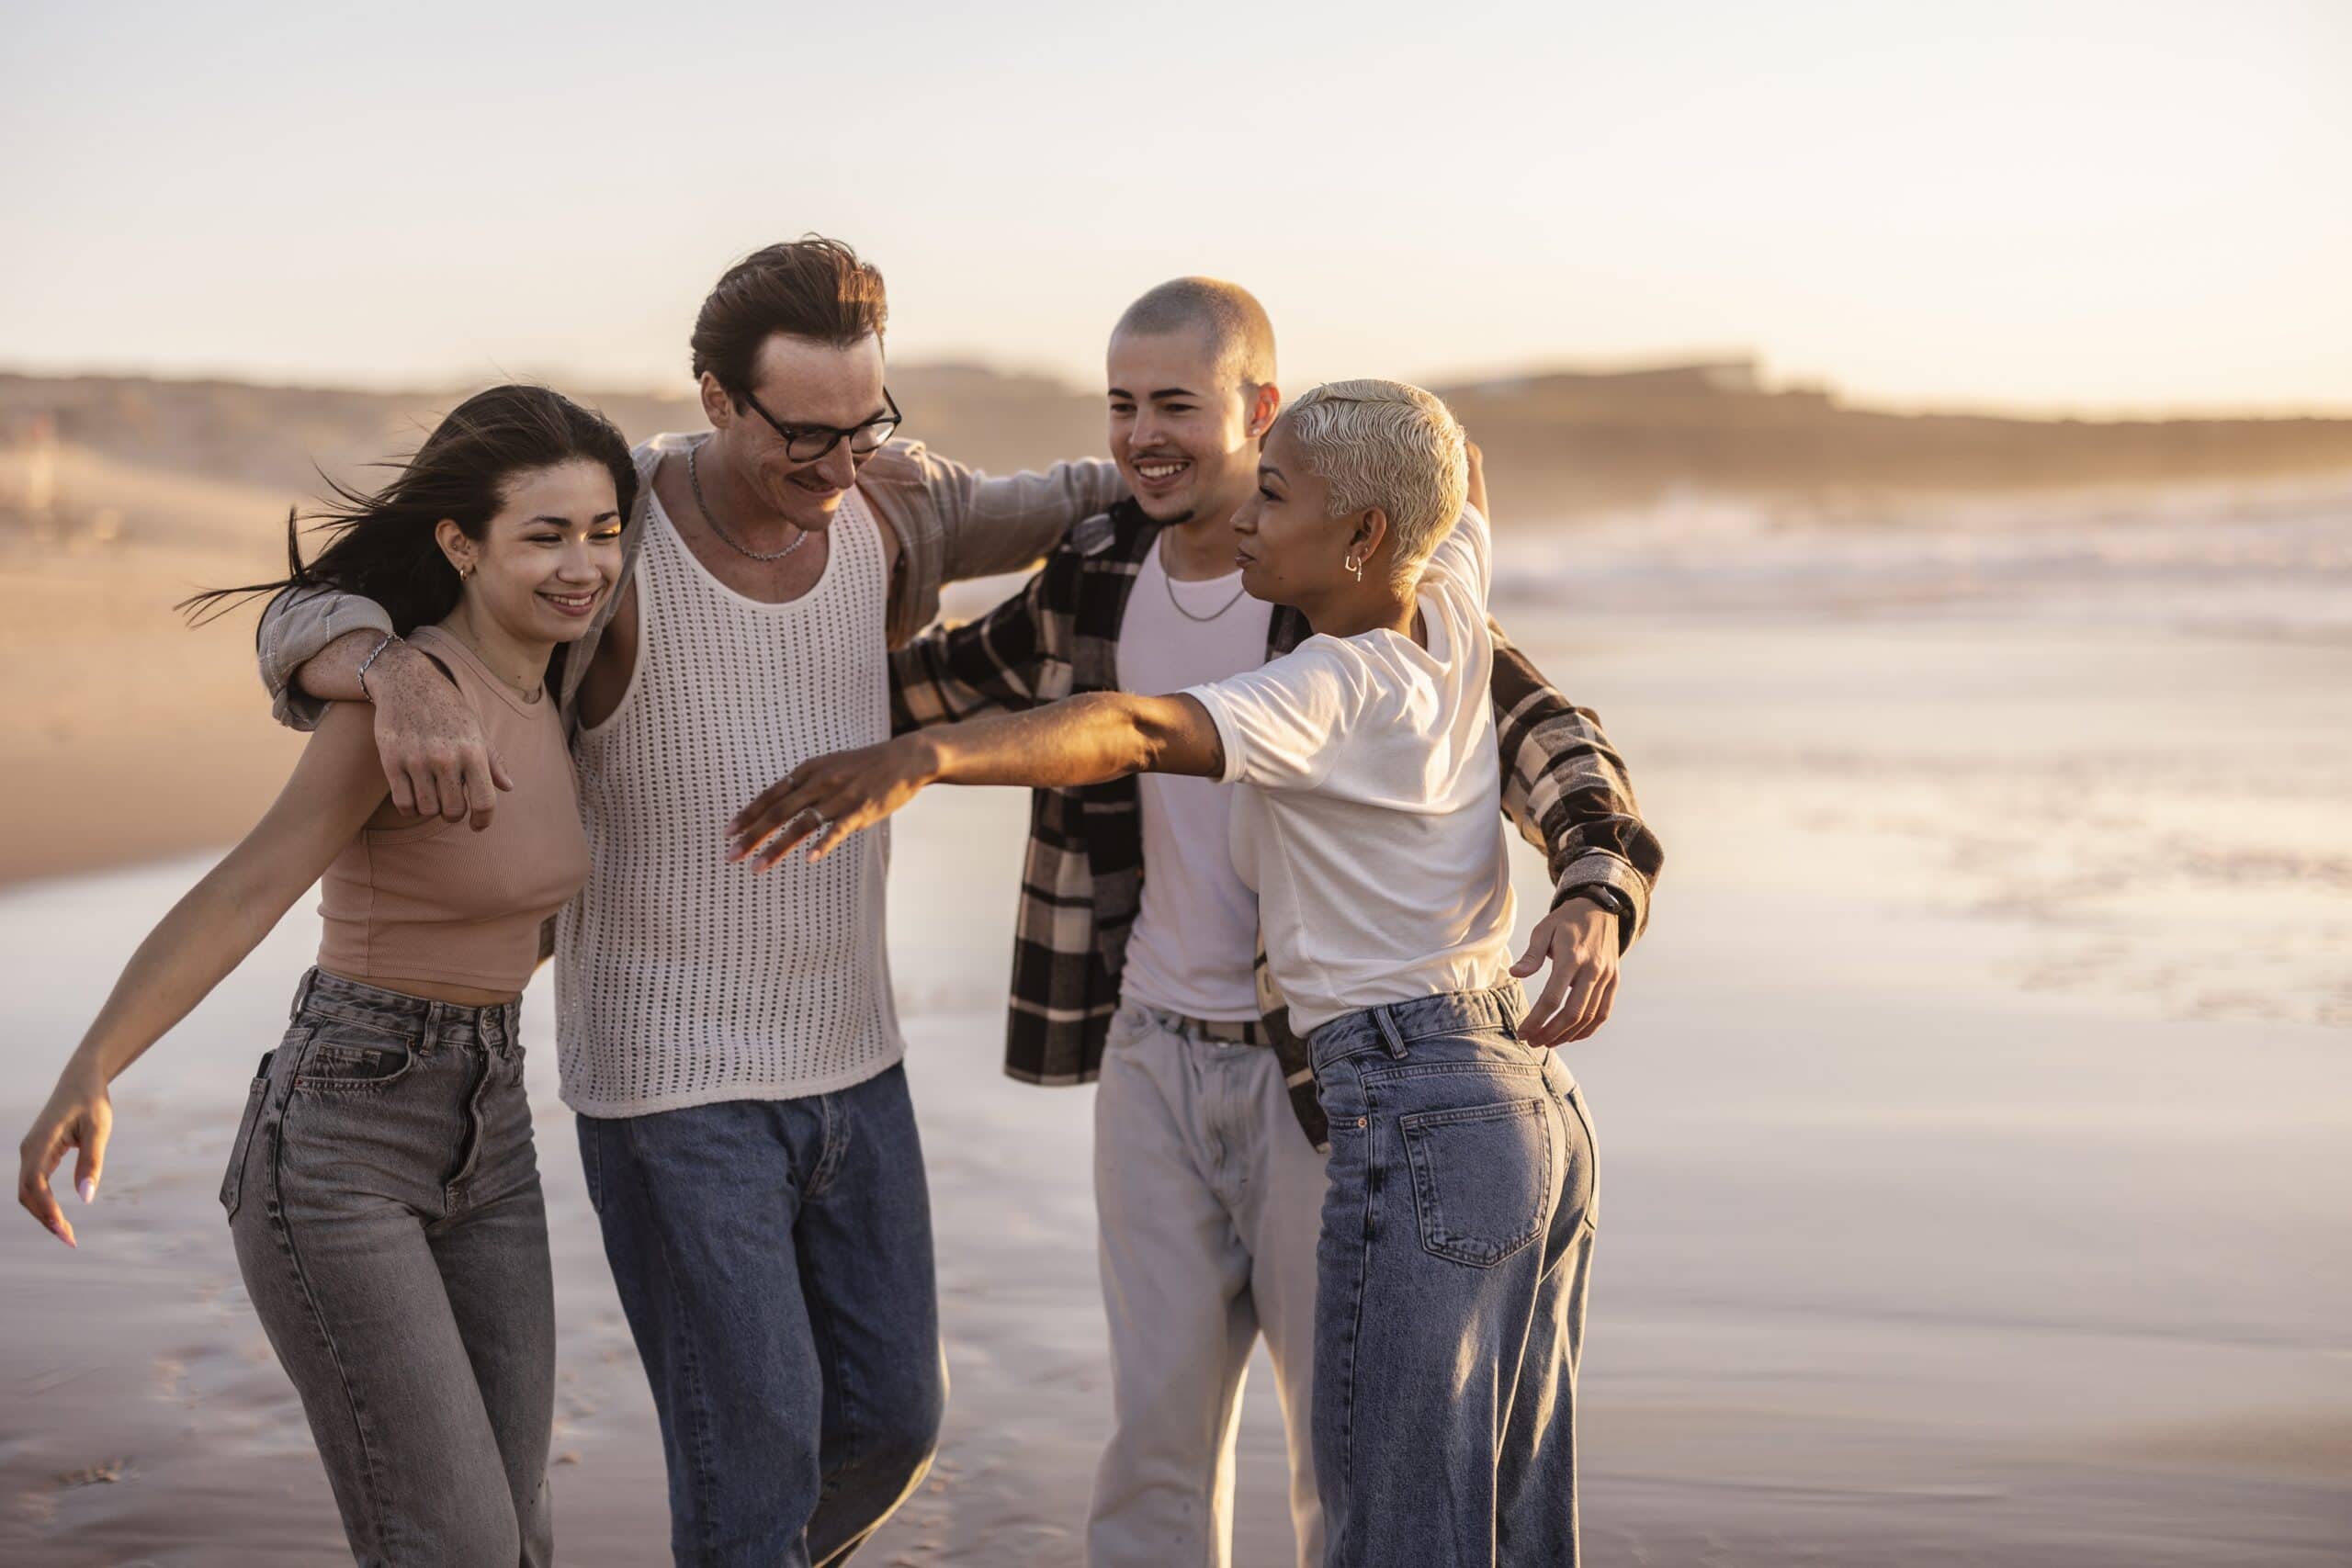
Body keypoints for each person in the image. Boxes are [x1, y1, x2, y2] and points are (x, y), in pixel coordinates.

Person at [246, 239, 1127, 1566]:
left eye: (865, 424)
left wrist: (1333, 461)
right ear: (717, 398)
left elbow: (1087, 492)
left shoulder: (894, 504)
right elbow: (305, 613)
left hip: (855, 1063)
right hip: (671, 1087)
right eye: (805, 434)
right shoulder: (614, 534)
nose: (840, 466)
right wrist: (391, 669)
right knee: (756, 1461)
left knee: (894, 1423)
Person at [737, 379, 1613, 1565]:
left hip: (1409, 1103)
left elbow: (1139, 727)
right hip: (1524, 1105)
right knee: (1510, 1519)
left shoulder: (1338, 685)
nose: (1247, 515)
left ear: (1361, 538)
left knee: (1396, 1527)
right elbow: (1455, 466)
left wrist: (929, 755)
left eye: (1278, 494)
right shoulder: (1446, 596)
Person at [16, 384, 636, 1566]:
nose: (584, 563)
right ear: (460, 544)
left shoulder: (549, 685)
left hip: (492, 1132)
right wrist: (92, 1067)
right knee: (450, 1545)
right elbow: (247, 889)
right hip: (345, 1137)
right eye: (544, 534)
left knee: (518, 1544)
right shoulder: (398, 707)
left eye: (603, 530)